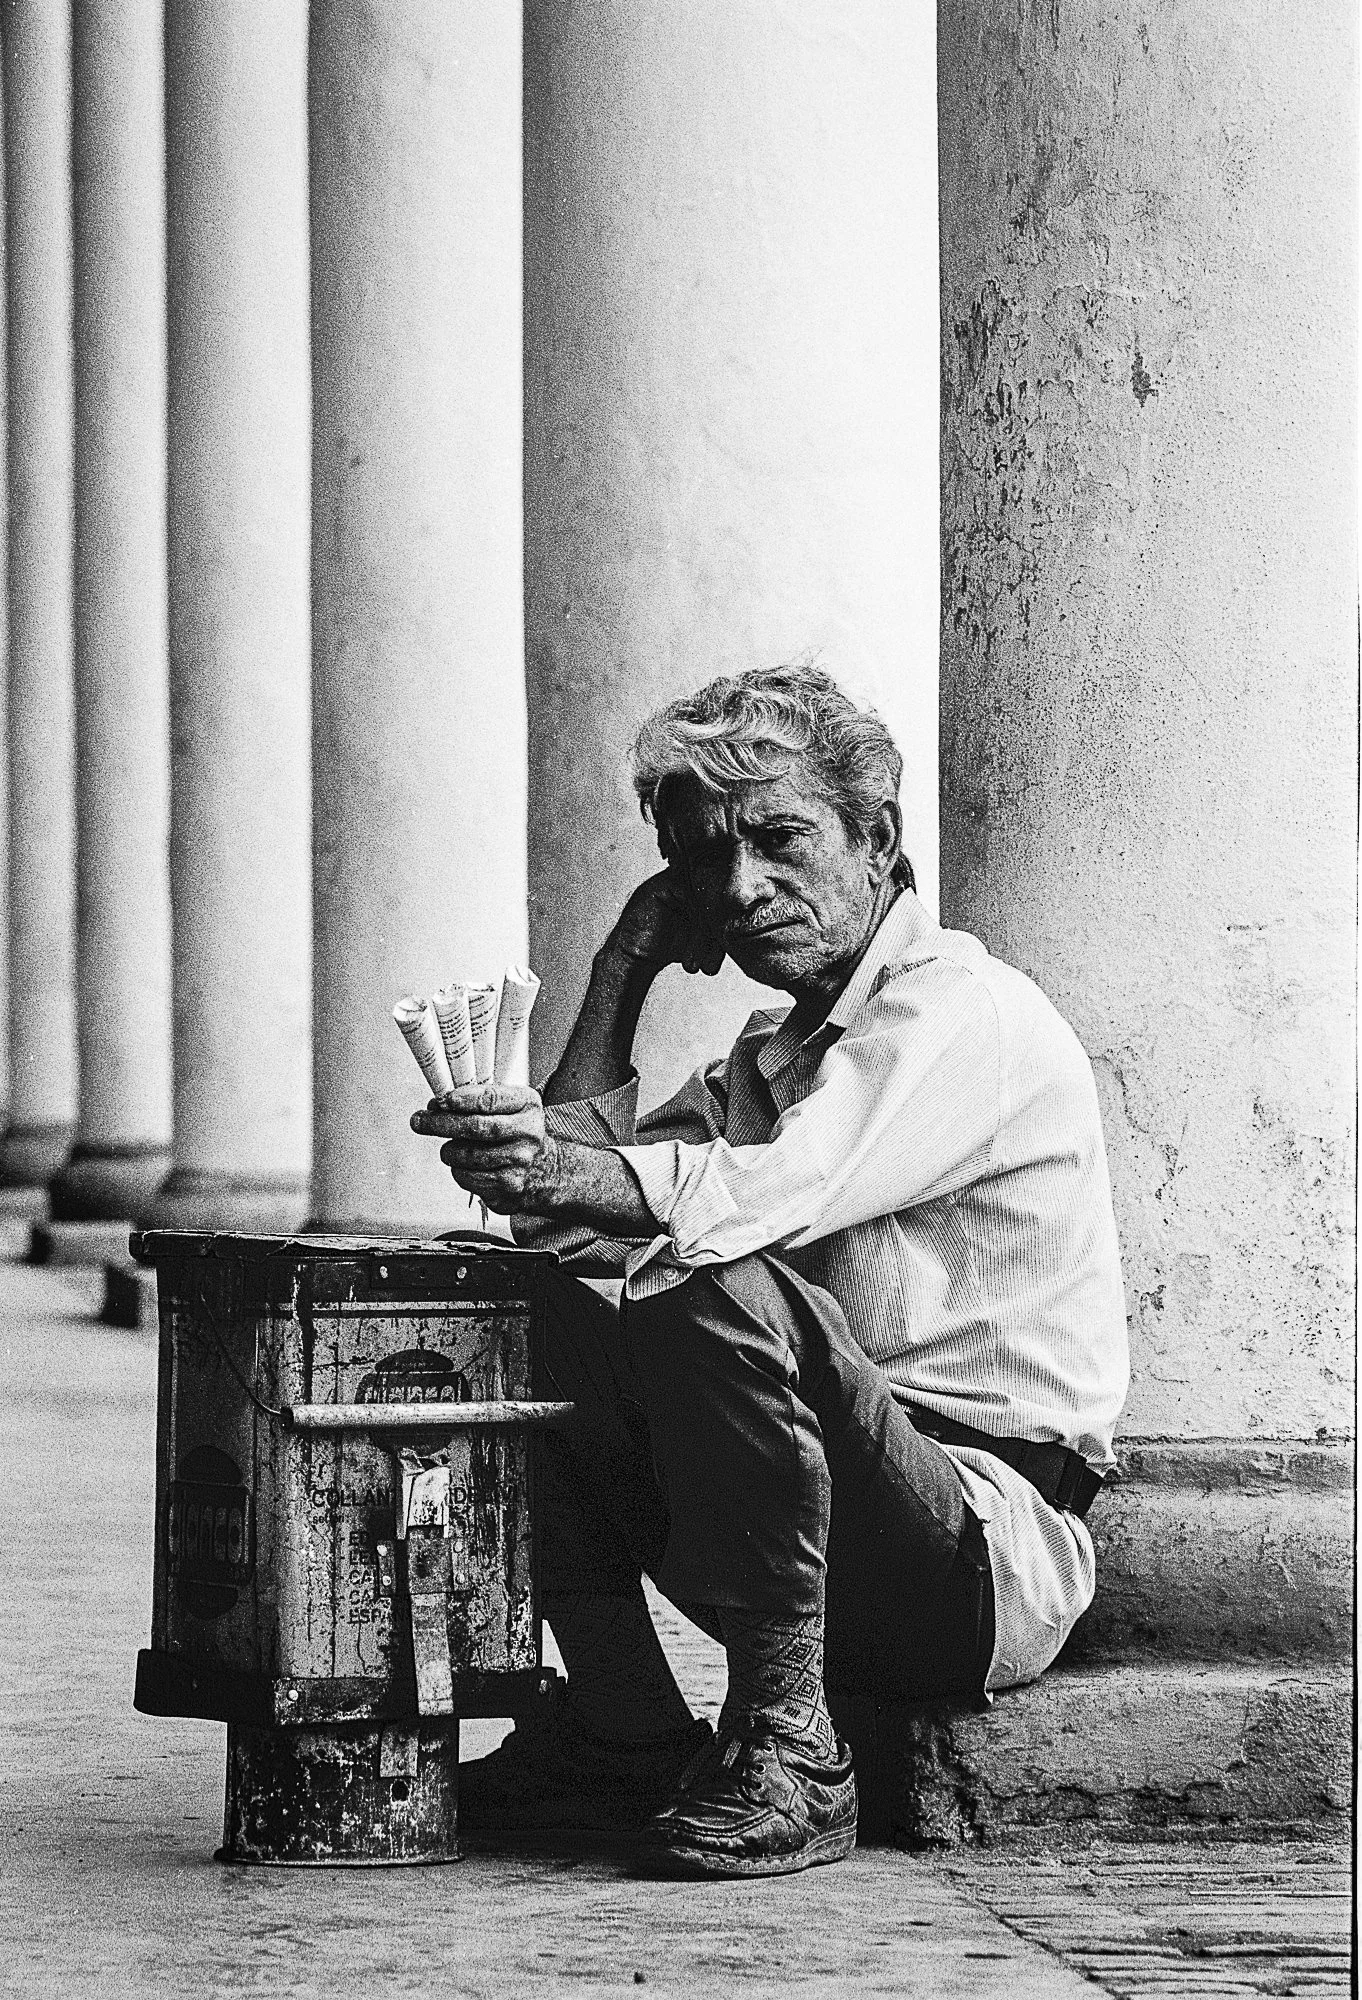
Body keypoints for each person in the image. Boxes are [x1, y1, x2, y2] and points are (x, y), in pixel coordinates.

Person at [411, 661, 1128, 1878]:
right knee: (505, 1303)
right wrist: (626, 961)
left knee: (709, 1268)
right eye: (706, 859)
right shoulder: (775, 1057)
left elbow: (747, 1202)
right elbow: (566, 1224)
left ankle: (794, 1746)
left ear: (877, 838)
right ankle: (624, 1726)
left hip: (966, 1556)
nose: (741, 888)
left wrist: (557, 1167)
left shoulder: (963, 1011)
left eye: (780, 838)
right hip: (815, 1524)